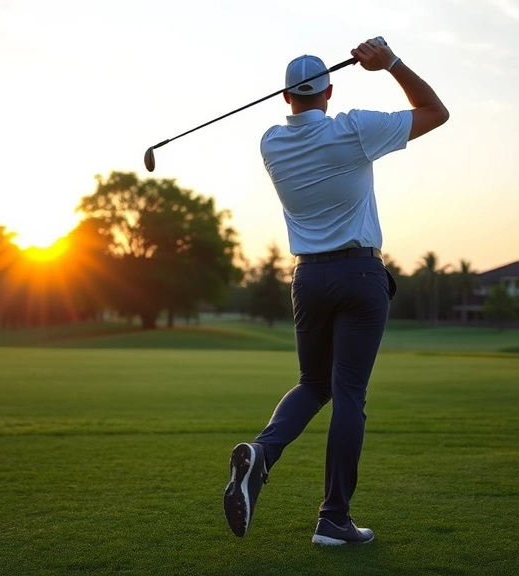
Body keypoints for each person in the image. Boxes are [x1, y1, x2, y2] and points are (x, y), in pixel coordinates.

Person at [222, 37, 449, 546]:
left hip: (308, 279)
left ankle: (263, 453)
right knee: (348, 392)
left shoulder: (271, 143)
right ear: (329, 90)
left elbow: (307, 118)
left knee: (313, 384)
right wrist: (389, 62)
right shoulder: (355, 129)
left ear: (286, 98)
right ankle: (333, 519)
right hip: (359, 276)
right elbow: (435, 111)